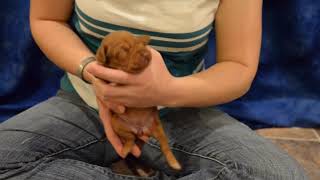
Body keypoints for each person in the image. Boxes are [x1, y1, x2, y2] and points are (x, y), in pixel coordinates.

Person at [0, 0, 308, 179]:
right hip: (84, 102)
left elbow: (238, 67)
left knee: (277, 174)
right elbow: (46, 19)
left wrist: (167, 91)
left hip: (179, 111)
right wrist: (92, 72)